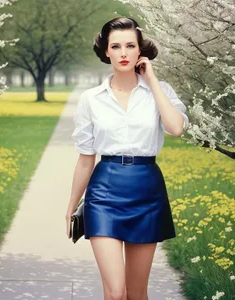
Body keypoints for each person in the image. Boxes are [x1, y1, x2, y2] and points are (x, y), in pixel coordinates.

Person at [65, 16, 189, 300]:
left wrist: (152, 79)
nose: (123, 53)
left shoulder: (161, 91)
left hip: (147, 192)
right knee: (116, 291)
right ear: (106, 51)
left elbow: (176, 128)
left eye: (130, 45)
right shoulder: (91, 99)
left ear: (140, 50)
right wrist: (71, 206)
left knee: (136, 293)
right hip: (104, 195)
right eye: (116, 46)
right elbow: (85, 158)